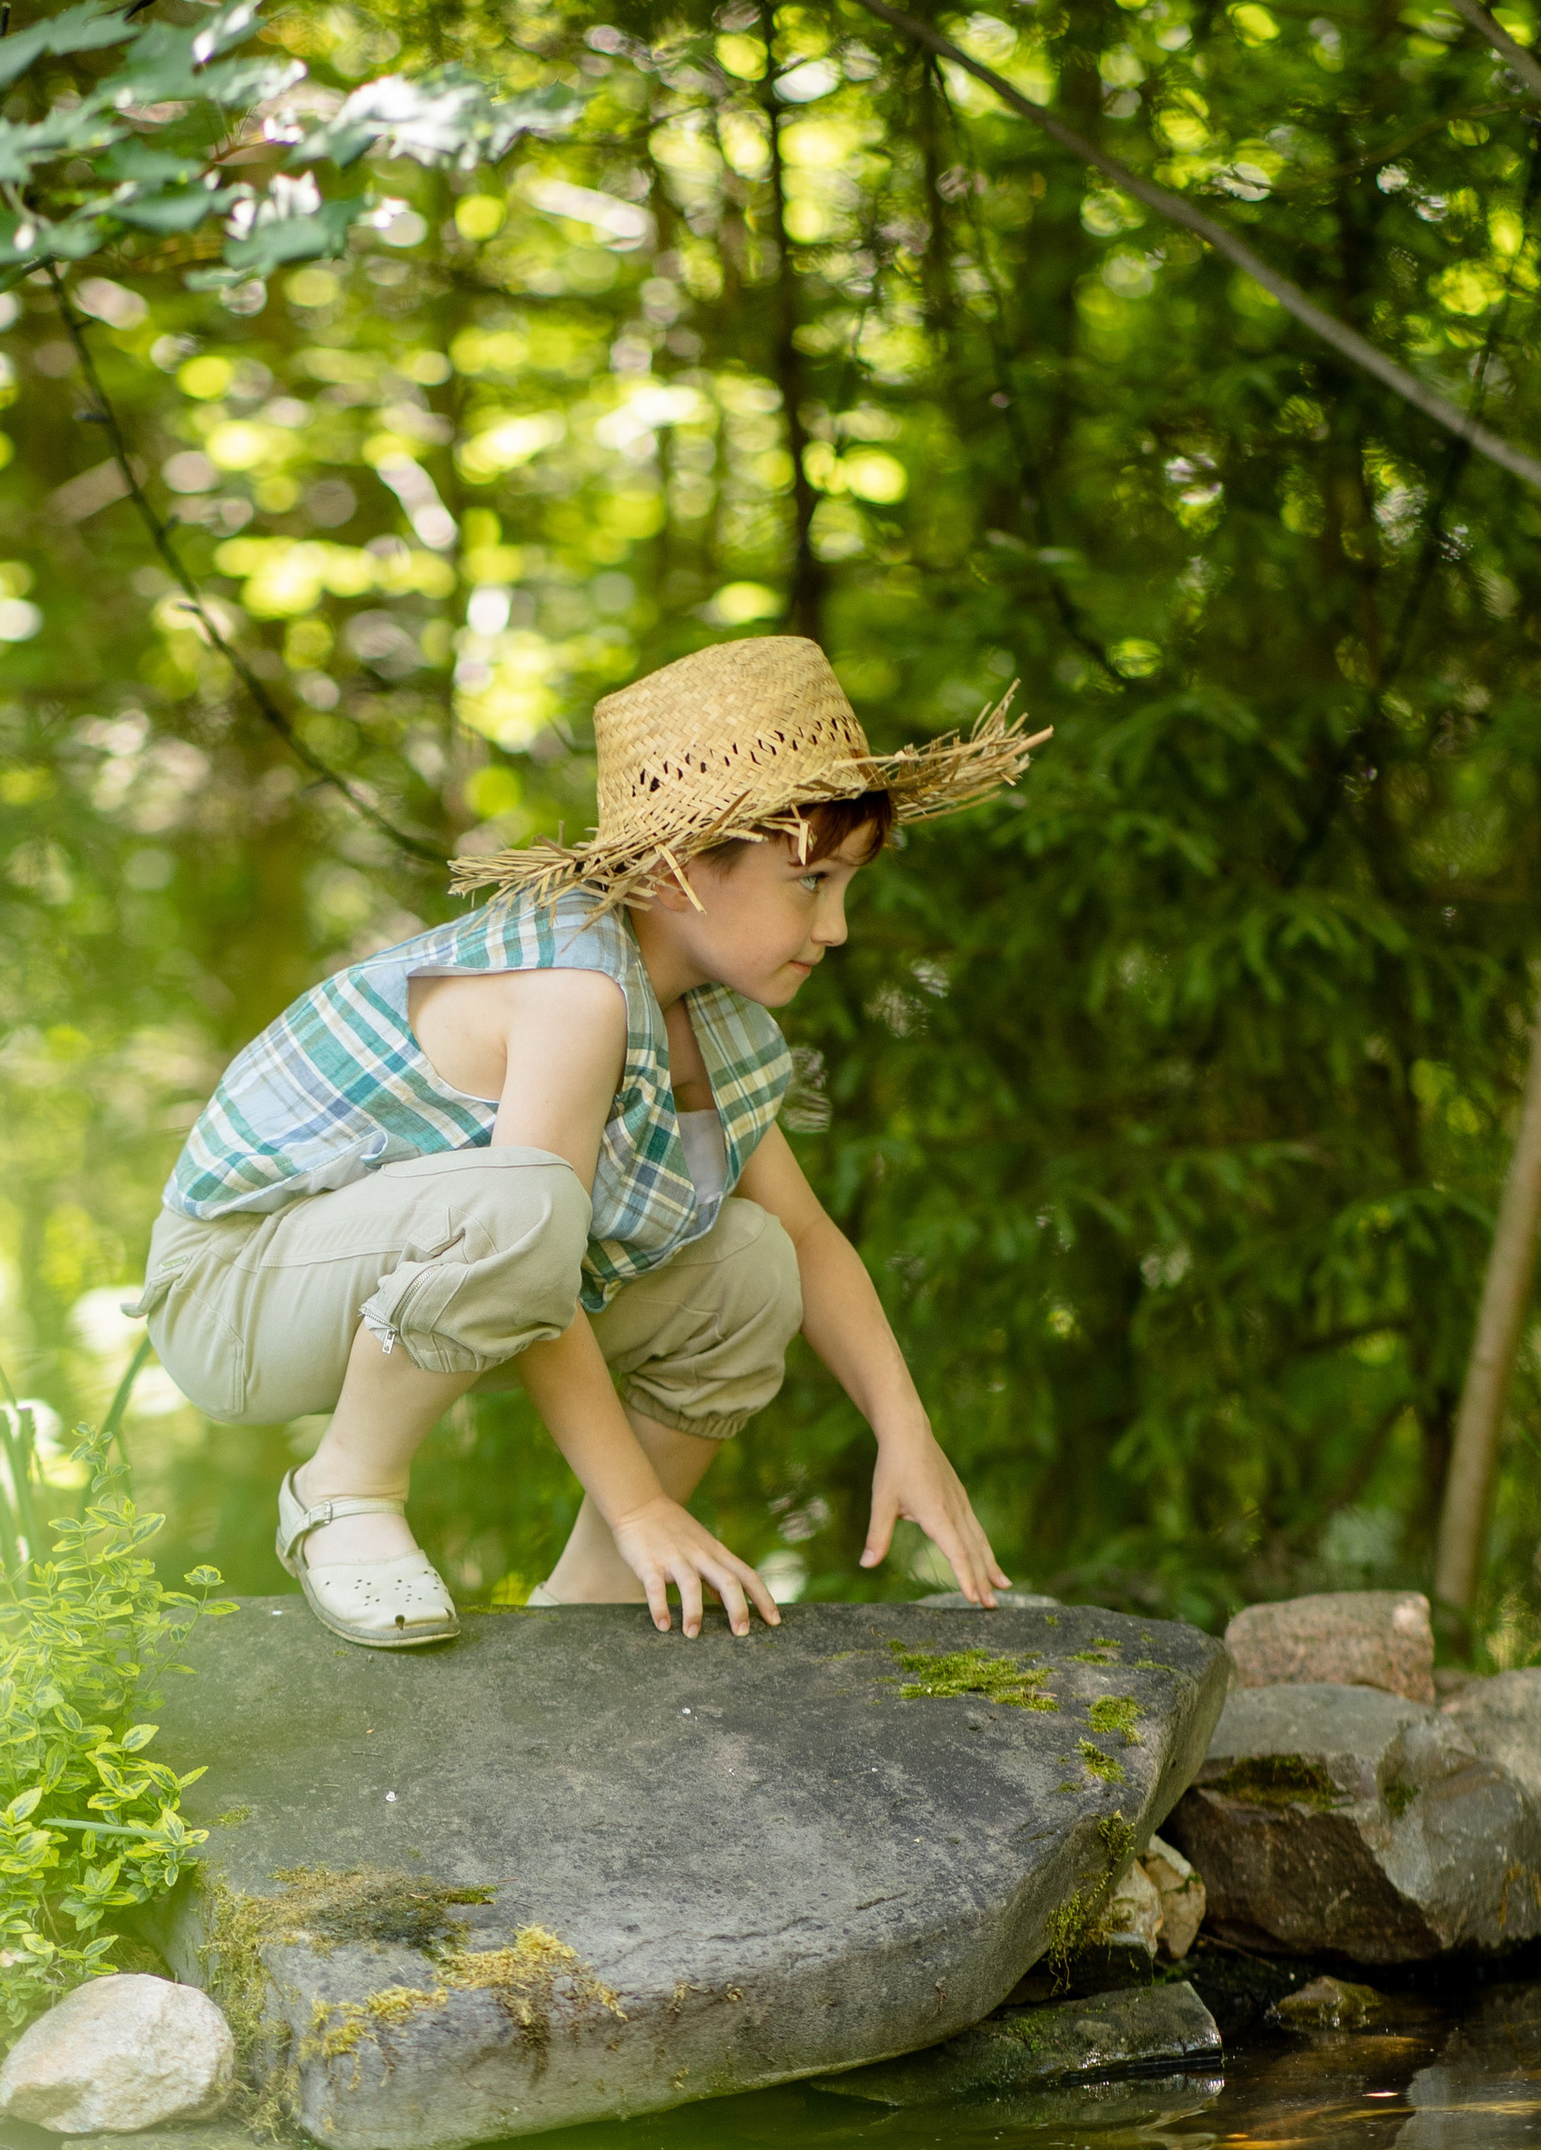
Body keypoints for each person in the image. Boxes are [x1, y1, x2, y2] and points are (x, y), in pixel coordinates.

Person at [141, 635, 1043, 1649]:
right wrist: (641, 1501)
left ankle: (593, 1604)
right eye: (809, 882)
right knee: (525, 1201)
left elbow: (807, 1235)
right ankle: (342, 1493)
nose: (834, 927)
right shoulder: (573, 990)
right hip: (235, 1294)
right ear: (676, 875)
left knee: (753, 1264)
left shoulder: (716, 1025)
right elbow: (532, 1238)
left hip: (414, 1296)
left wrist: (905, 1430)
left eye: (848, 886)